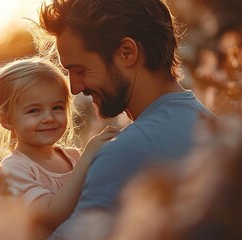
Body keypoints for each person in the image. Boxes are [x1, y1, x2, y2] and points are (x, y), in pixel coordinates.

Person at [37, 0, 214, 239]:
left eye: (81, 71)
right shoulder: (216, 129)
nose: (75, 88)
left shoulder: (126, 150)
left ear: (127, 52)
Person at [0, 56, 118, 238]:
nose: (48, 118)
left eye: (57, 107)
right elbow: (52, 215)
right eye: (34, 110)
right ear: (6, 119)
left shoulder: (72, 157)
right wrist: (88, 157)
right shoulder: (14, 168)